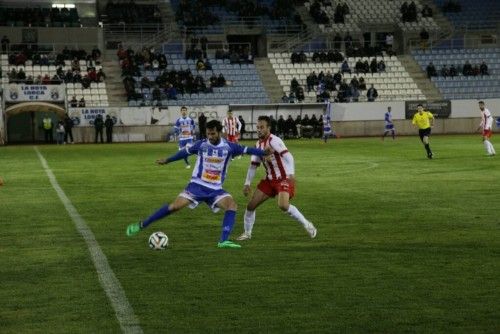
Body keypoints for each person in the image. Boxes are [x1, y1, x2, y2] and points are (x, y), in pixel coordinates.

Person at [126, 120, 272, 249]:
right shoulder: (201, 145)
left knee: (232, 206)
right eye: (208, 134)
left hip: (215, 189)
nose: (210, 136)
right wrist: (168, 160)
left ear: (219, 132)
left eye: (213, 134)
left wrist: (263, 152)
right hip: (197, 186)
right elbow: (184, 153)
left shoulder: (230, 147)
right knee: (174, 207)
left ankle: (223, 241)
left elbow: (248, 150)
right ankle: (142, 225)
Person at [236, 116, 317, 241]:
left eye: (262, 127)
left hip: (283, 178)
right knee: (251, 206)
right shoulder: (257, 145)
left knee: (283, 205)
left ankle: (307, 224)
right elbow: (253, 166)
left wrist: (291, 173)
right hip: (269, 180)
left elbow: (289, 157)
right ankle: (247, 233)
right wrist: (247, 184)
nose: (259, 130)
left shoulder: (274, 140)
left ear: (268, 128)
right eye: (257, 127)